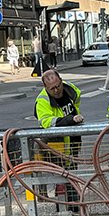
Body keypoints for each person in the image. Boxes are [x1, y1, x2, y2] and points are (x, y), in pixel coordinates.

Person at [35, 70, 83, 206]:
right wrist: (69, 120)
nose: (56, 90)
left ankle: (74, 207)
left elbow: (77, 99)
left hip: (72, 142)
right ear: (45, 88)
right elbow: (46, 122)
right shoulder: (42, 100)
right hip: (55, 145)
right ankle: (63, 208)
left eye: (58, 86)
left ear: (61, 81)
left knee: (72, 174)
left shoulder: (70, 89)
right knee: (60, 177)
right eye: (52, 89)